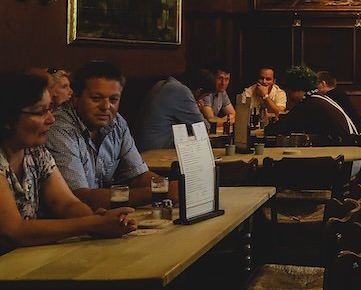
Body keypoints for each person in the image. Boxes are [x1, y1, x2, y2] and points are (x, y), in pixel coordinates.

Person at [0, 71, 136, 252]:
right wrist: (91, 224)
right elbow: (14, 231)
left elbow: (65, 203)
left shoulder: (35, 152)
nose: (51, 119)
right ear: (8, 118)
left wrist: (97, 219)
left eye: (50, 109)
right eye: (41, 112)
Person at [46, 61, 177, 210]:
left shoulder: (117, 123)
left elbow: (138, 176)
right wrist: (161, 192)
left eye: (113, 99)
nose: (106, 106)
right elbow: (79, 197)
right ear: (76, 97)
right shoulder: (59, 128)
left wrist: (174, 188)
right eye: (96, 98)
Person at [266, 66, 361, 176]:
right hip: (352, 158)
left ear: (294, 89)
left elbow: (280, 128)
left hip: (344, 164)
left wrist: (267, 128)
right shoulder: (319, 98)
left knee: (281, 170)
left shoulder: (309, 104)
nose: (288, 95)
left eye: (288, 91)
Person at [135, 69, 214, 151]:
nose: (203, 101)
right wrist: (197, 108)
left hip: (143, 146)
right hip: (156, 151)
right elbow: (202, 128)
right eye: (204, 97)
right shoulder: (181, 91)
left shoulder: (162, 84)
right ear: (199, 91)